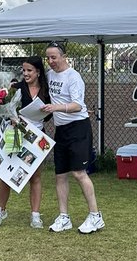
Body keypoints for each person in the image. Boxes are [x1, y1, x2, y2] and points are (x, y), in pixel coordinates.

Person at [41, 42, 103, 234]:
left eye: (54, 57)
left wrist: (56, 108)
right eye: (48, 58)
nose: (51, 61)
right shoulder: (49, 75)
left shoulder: (74, 77)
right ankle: (64, 217)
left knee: (79, 173)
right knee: (60, 174)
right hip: (61, 130)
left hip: (78, 128)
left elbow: (77, 105)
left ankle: (95, 216)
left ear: (63, 56)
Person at [0, 57, 52, 229]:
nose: (25, 73)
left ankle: (35, 215)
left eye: (29, 70)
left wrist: (46, 110)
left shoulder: (46, 91)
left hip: (36, 137)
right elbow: (3, 107)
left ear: (38, 72)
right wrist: (12, 118)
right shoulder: (15, 88)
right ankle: (0, 210)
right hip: (15, 135)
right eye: (24, 70)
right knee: (4, 175)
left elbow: (49, 116)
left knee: (35, 176)